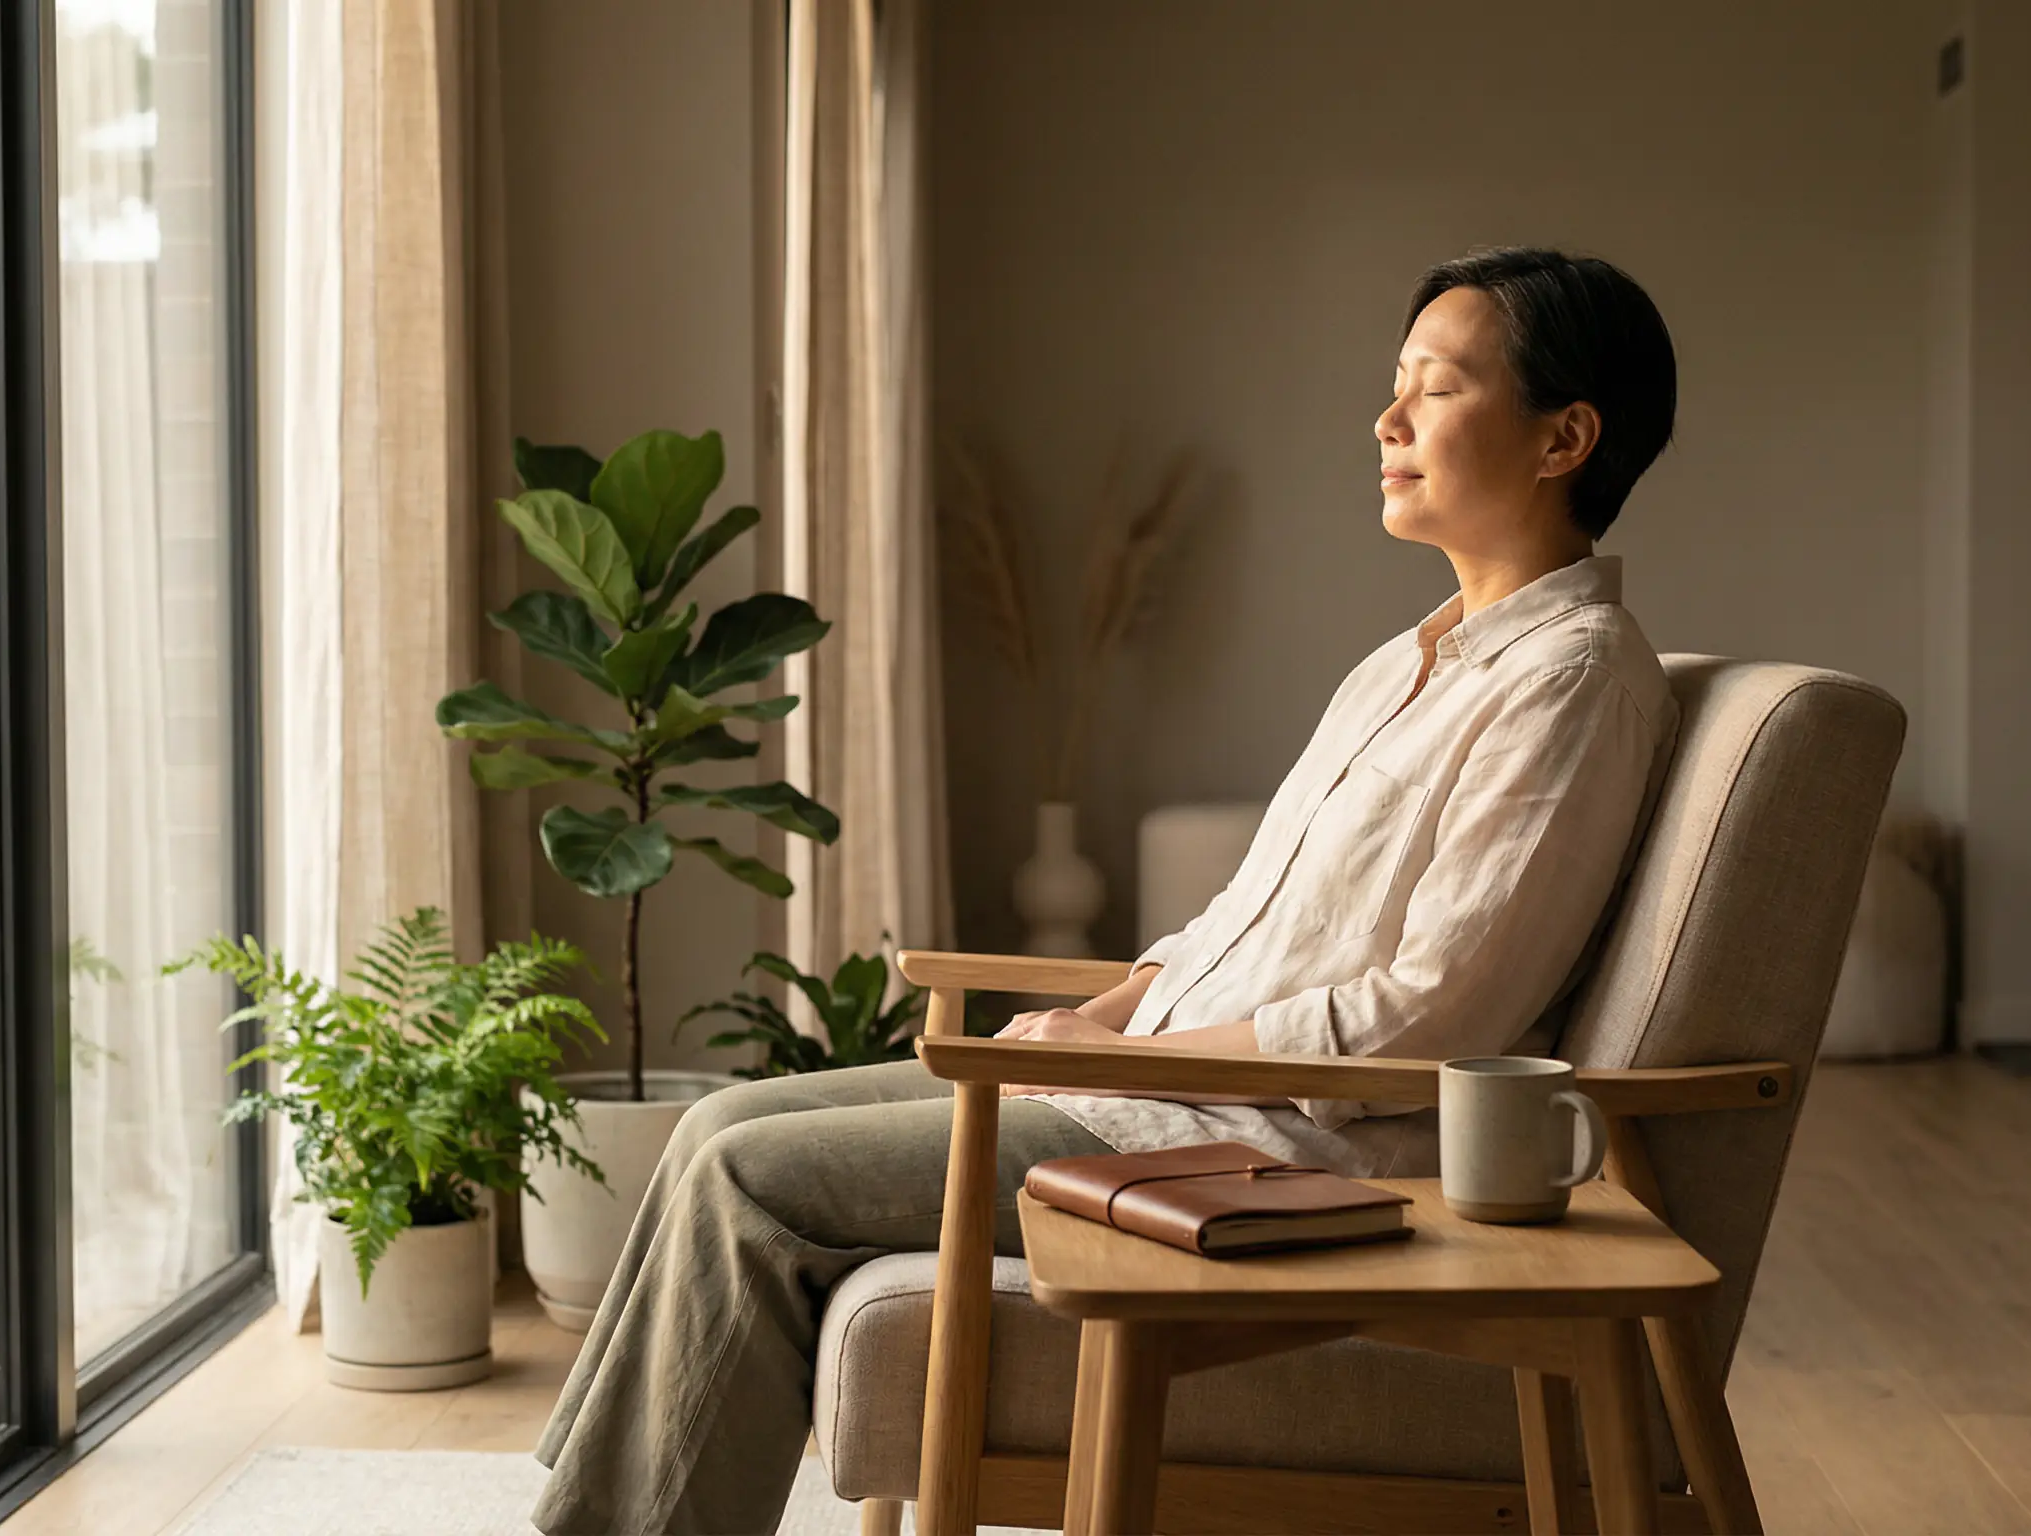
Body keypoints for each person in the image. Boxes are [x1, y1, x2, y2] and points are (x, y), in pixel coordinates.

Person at [532, 246, 1683, 1535]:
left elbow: (1430, 1018)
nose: (1388, 419)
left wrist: (1131, 1060)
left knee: (750, 1181)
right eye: (1394, 381)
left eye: (1438, 386)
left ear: (1564, 439)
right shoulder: (1407, 664)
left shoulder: (1570, 682)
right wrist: (1104, 1018)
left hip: (1266, 1154)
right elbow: (1240, 924)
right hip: (1153, 1094)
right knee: (714, 1126)